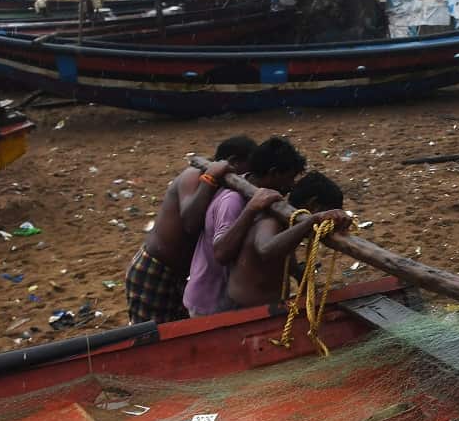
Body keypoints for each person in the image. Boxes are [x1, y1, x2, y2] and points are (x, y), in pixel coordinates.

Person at [125, 135, 255, 324]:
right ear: (233, 163)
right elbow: (190, 222)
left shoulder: (224, 190)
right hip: (156, 270)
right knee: (152, 341)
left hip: (181, 277)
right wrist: (210, 178)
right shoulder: (194, 177)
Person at [183, 136, 304, 317]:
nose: (291, 185)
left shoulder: (256, 193)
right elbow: (221, 254)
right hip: (213, 301)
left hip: (227, 295)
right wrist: (251, 209)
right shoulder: (233, 200)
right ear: (273, 173)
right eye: (289, 178)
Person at [227, 171, 351, 310]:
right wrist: (313, 220)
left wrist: (300, 276)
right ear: (314, 205)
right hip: (245, 312)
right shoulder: (271, 222)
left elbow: (286, 258)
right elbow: (266, 250)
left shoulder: (290, 228)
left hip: (267, 306)